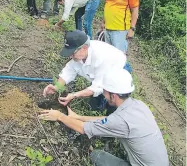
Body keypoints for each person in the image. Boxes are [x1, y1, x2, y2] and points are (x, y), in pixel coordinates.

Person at [39, 68, 170, 166]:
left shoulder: (121, 121)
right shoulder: (138, 105)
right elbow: (107, 120)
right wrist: (78, 116)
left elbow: (84, 129)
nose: (104, 94)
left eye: (105, 92)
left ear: (113, 96)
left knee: (97, 156)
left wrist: (59, 116)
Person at [43, 30, 131, 113]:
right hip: (99, 76)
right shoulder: (80, 54)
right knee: (95, 105)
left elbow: (97, 86)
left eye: (73, 53)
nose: (70, 57)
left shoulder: (101, 58)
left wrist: (73, 95)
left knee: (113, 103)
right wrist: (57, 86)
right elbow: (69, 70)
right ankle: (96, 111)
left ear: (84, 48)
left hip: (117, 72)